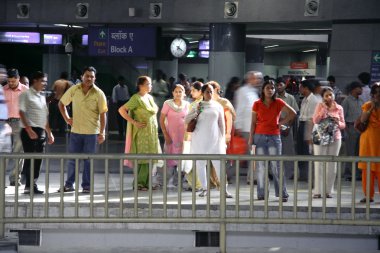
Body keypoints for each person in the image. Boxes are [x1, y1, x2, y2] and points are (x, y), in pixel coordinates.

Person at [58, 66, 108, 193]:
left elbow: (103, 114)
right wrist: (67, 119)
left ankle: (86, 186)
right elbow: (61, 104)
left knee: (88, 161)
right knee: (72, 160)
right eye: (87, 76)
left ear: (95, 78)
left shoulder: (99, 93)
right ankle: (69, 185)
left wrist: (102, 132)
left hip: (92, 133)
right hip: (75, 132)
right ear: (82, 77)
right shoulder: (74, 89)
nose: (89, 78)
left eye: (92, 76)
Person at [248, 80, 296, 202]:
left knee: (276, 165)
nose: (270, 90)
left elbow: (293, 113)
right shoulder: (257, 104)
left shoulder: (278, 102)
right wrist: (250, 138)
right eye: (268, 88)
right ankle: (261, 193)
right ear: (263, 90)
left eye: (272, 88)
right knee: (261, 166)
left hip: (274, 137)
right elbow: (253, 123)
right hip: (259, 137)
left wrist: (281, 123)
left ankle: (282, 193)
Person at [185, 83, 230, 198]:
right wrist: (197, 112)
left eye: (211, 91)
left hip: (215, 139)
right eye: (207, 92)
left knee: (219, 164)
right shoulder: (197, 105)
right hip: (200, 139)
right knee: (200, 164)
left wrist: (223, 139)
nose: (210, 94)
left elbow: (221, 124)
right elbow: (186, 120)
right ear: (202, 93)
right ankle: (205, 188)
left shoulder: (217, 106)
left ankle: (224, 189)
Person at [118, 76, 160, 191]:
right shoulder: (136, 98)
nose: (150, 86)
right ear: (140, 85)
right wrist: (134, 122)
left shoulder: (150, 98)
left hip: (151, 133)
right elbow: (121, 110)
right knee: (142, 158)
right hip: (141, 133)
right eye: (148, 84)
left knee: (150, 157)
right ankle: (139, 183)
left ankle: (147, 183)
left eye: (150, 84)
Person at [19, 71, 54, 194]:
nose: (45, 84)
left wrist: (49, 133)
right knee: (31, 159)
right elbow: (21, 112)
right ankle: (28, 185)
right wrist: (29, 129)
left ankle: (32, 184)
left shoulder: (41, 96)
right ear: (35, 81)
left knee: (38, 159)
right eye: (43, 81)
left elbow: (44, 116)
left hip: (41, 132)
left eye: (45, 81)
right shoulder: (26, 95)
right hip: (29, 131)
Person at [312, 87, 345, 199]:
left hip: (335, 137)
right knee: (319, 163)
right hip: (321, 135)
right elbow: (315, 120)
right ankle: (317, 191)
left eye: (331, 95)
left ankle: (328, 191)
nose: (329, 97)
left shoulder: (339, 108)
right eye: (326, 95)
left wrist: (338, 122)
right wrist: (324, 110)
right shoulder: (319, 106)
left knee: (332, 164)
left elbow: (343, 125)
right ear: (323, 97)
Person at [234, 71, 262, 184]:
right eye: (256, 78)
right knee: (246, 153)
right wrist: (238, 125)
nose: (258, 81)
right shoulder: (242, 91)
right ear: (249, 79)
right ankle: (226, 174)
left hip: (254, 127)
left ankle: (253, 177)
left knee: (252, 152)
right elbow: (240, 108)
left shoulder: (254, 92)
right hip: (246, 127)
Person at [160, 84, 190, 188]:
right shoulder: (167, 104)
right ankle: (164, 182)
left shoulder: (187, 105)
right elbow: (161, 120)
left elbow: (189, 121)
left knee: (182, 159)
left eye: (180, 91)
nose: (178, 93)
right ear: (172, 93)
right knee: (169, 158)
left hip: (183, 137)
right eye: (176, 91)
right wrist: (165, 135)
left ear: (184, 93)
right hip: (171, 136)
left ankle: (178, 182)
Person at [3, 68, 28, 186]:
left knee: (18, 151)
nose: (11, 83)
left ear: (18, 79)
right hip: (5, 123)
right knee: (4, 151)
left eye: (13, 81)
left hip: (20, 123)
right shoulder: (3, 90)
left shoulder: (25, 90)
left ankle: (14, 179)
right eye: (9, 81)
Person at [209, 81, 236, 183]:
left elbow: (229, 118)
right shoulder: (206, 102)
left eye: (210, 90)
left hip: (223, 132)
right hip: (212, 133)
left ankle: (222, 180)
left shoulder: (224, 102)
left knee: (223, 155)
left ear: (216, 90)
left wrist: (228, 133)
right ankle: (213, 180)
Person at [358, 83, 380, 203]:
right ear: (372, 94)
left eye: (379, 92)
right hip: (368, 142)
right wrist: (372, 107)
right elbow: (363, 120)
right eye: (376, 92)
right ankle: (368, 195)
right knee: (367, 169)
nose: (378, 95)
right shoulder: (367, 105)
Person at [276, 77, 299, 179]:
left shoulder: (290, 98)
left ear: (285, 85)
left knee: (288, 150)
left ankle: (290, 173)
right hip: (275, 126)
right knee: (276, 151)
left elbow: (294, 113)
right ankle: (275, 173)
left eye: (281, 85)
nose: (279, 87)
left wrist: (289, 127)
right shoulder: (273, 97)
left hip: (287, 125)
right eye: (277, 85)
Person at [182, 81, 203, 191]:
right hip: (191, 134)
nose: (192, 92)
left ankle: (197, 184)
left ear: (200, 91)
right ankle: (193, 184)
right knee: (190, 160)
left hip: (193, 134)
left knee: (192, 160)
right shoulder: (196, 103)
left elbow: (195, 119)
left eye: (194, 90)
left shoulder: (200, 104)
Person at [297, 79, 319, 181]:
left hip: (309, 125)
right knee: (300, 149)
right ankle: (303, 174)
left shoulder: (314, 100)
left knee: (308, 150)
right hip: (302, 124)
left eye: (301, 87)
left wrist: (310, 133)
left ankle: (308, 175)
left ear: (306, 88)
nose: (299, 89)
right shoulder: (304, 100)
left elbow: (313, 118)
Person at [341, 81, 364, 181]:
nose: (361, 90)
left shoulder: (361, 101)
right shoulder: (346, 101)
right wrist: (345, 131)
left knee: (358, 151)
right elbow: (342, 117)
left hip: (360, 129)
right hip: (350, 128)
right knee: (350, 152)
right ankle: (349, 174)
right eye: (359, 88)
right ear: (354, 89)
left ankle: (357, 173)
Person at [0, 64, 11, 154]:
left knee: (5, 152)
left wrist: (5, 124)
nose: (4, 75)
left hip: (3, 125)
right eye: (1, 73)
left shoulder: (1, 88)